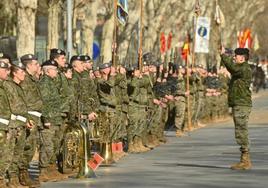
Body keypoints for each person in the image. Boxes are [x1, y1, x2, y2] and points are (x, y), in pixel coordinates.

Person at [220, 47, 252, 170]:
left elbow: (232, 67)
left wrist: (223, 55)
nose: (234, 57)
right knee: (240, 130)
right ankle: (244, 158)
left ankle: (245, 160)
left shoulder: (243, 68)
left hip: (242, 104)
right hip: (239, 104)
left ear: (242, 58)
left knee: (241, 131)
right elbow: (232, 68)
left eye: (236, 56)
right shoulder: (241, 68)